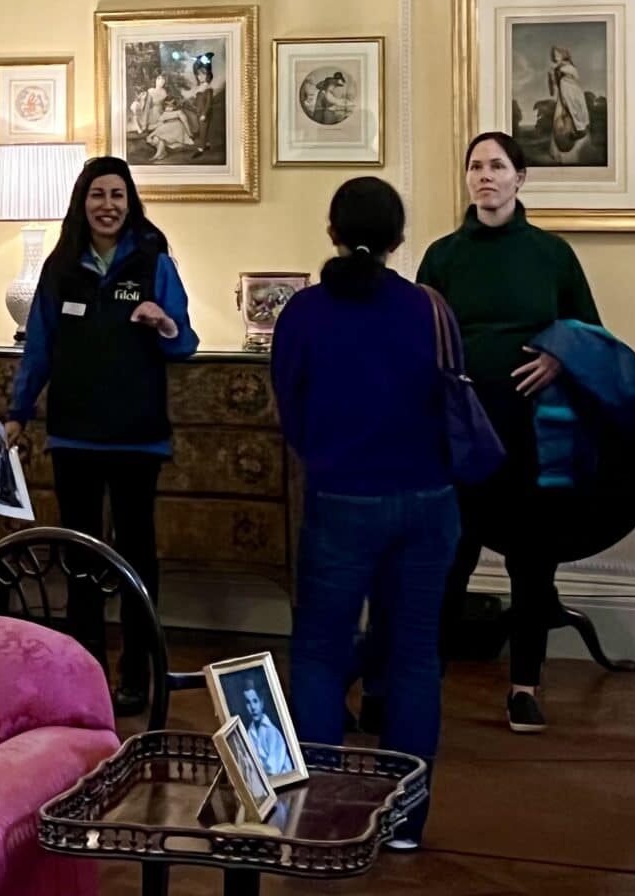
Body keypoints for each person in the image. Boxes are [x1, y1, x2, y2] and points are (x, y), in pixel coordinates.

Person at [272, 176, 458, 846]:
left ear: (331, 231)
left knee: (320, 653)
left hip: (342, 498)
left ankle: (323, 817)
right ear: (398, 239)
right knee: (413, 658)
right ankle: (405, 824)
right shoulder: (428, 308)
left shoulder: (304, 313)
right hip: (429, 500)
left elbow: (290, 410)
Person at [419, 131, 600, 734]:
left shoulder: (552, 255)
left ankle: (524, 686)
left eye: (498, 166)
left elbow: (588, 331)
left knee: (532, 561)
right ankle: (428, 680)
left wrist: (557, 354)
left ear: (521, 178)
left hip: (533, 433)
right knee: (451, 559)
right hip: (463, 433)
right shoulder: (442, 256)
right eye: (476, 166)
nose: (485, 176)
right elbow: (423, 338)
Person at [4, 155, 199, 715]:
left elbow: (184, 341)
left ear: (130, 202)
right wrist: (19, 413)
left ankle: (138, 673)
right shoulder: (60, 267)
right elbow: (37, 347)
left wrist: (164, 323)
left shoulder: (154, 261)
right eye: (97, 195)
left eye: (117, 195)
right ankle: (83, 675)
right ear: (82, 203)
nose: (107, 205)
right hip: (74, 436)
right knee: (80, 559)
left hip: (138, 437)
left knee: (136, 556)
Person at [240, 681, 294, 776]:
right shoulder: (250, 732)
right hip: (263, 780)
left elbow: (273, 769)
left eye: (255, 701)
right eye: (248, 702)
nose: (252, 707)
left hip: (282, 779)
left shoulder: (271, 732)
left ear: (262, 703)